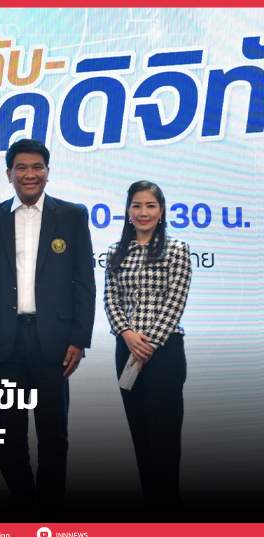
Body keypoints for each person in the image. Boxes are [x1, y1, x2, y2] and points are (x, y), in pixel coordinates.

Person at [0, 138, 95, 510]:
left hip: (54, 341)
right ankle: (22, 501)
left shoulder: (71, 215)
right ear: (8, 174)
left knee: (53, 433)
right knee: (9, 433)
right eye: (22, 168)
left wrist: (80, 337)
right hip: (4, 340)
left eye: (37, 167)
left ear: (47, 171)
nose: (30, 174)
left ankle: (51, 505)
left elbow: (84, 281)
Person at [104, 180, 191, 510]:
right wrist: (126, 334)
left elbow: (175, 301)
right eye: (137, 205)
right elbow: (110, 299)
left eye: (150, 206)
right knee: (140, 435)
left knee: (164, 437)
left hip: (165, 352)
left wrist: (149, 343)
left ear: (161, 210)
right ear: (128, 211)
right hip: (125, 349)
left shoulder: (177, 249)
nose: (143, 212)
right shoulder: (116, 251)